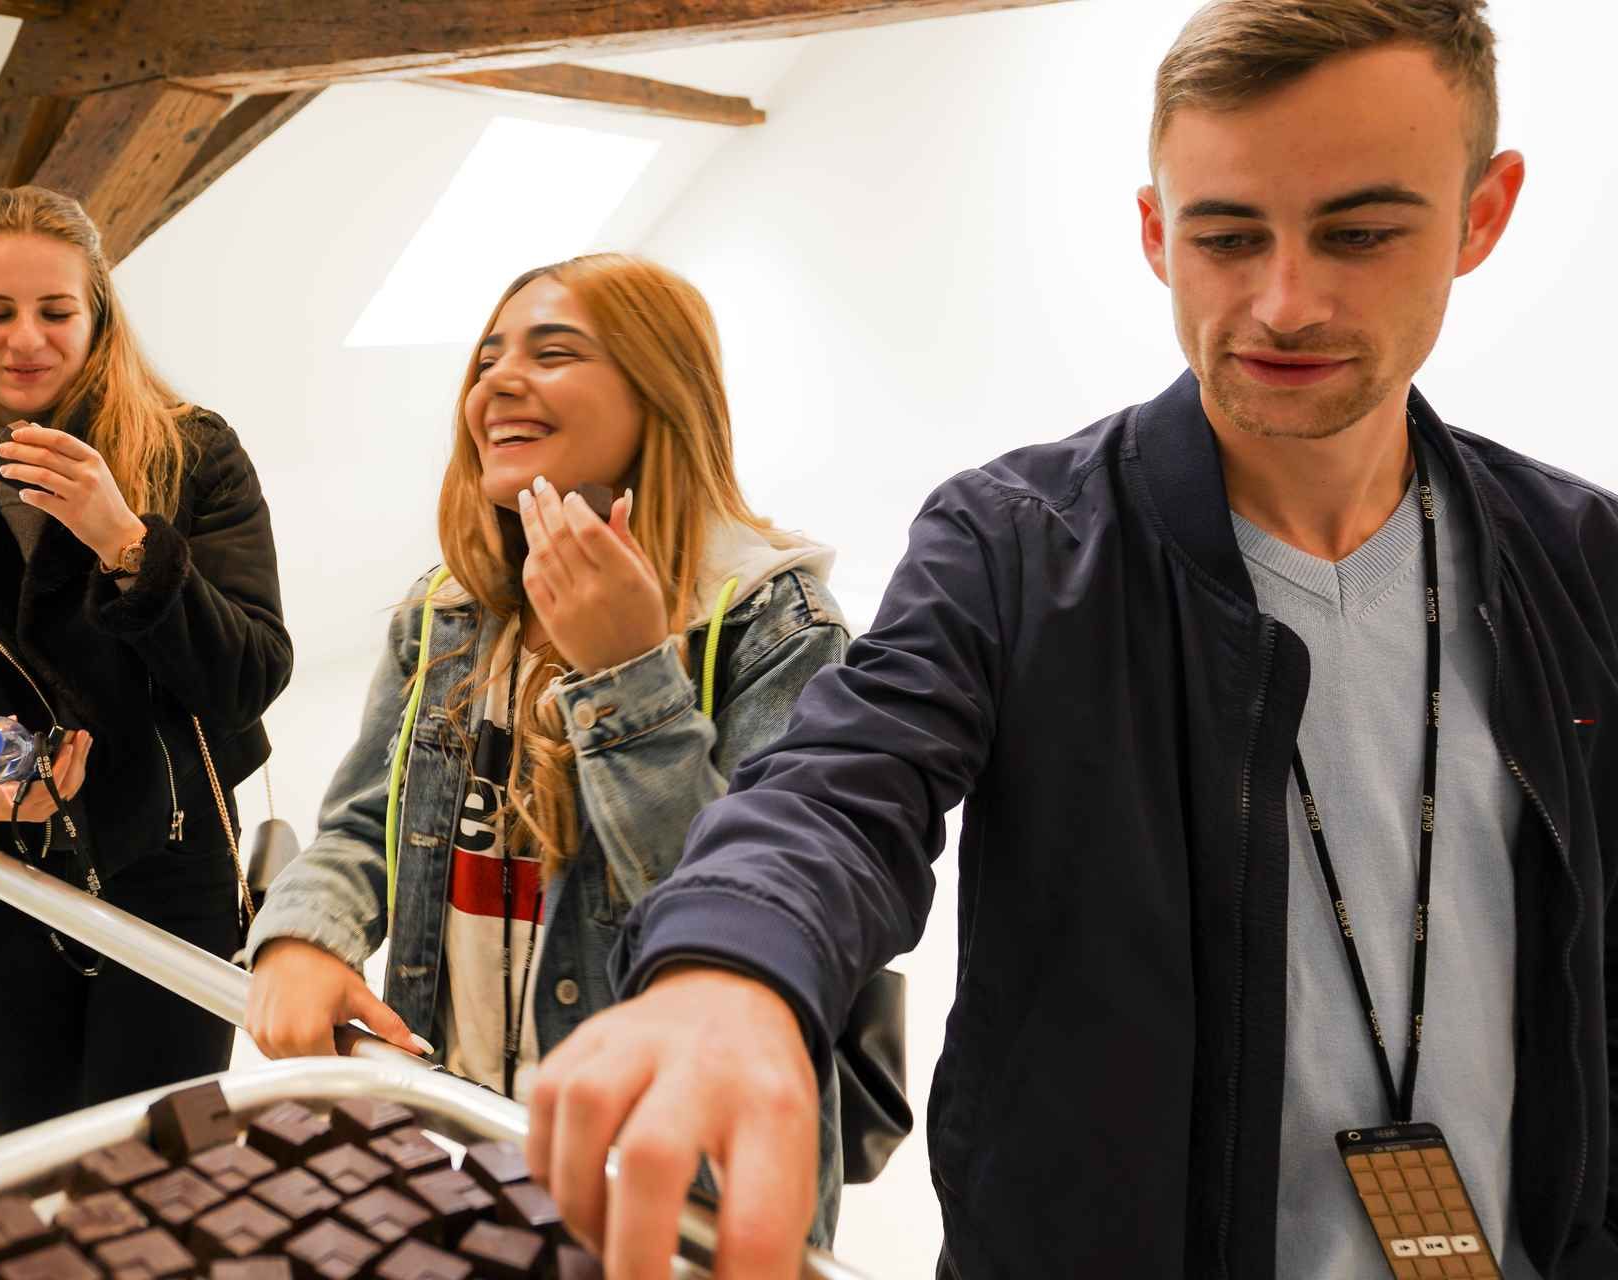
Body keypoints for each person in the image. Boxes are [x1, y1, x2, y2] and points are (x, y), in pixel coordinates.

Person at [523, 3, 1618, 1277]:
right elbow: (840, 783)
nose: (1284, 299)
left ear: (1483, 214)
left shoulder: (1579, 561)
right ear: (1157, 233)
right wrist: (730, 966)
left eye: (1361, 232)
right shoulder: (1013, 545)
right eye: (1224, 236)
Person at [242, 253, 847, 1243]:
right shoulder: (445, 612)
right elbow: (364, 824)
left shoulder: (777, 624)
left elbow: (749, 913)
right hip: (454, 1136)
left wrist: (627, 676)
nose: (498, 380)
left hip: (664, 1182)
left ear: (663, 390)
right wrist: (306, 928)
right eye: (486, 358)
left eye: (553, 351)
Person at [0, 185, 292, 1134]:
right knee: (37, 1172)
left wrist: (127, 541)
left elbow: (250, 674)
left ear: (99, 319)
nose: (26, 340)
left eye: (56, 311)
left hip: (172, 874)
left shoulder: (192, 453)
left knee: (164, 1185)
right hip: (3, 879)